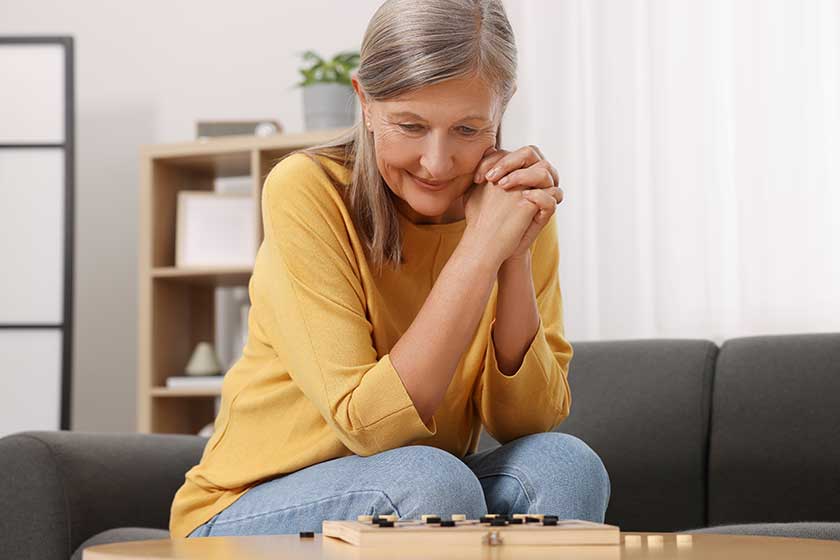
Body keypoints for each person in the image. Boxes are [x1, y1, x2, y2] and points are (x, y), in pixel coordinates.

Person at [172, 0, 610, 539]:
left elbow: (528, 421)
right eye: (410, 125)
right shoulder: (307, 190)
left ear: (503, 108)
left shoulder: (512, 202)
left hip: (411, 496)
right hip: (246, 509)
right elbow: (370, 426)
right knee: (427, 482)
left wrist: (512, 253)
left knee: (564, 464)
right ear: (365, 101)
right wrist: (480, 249)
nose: (437, 162)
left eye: (469, 129)